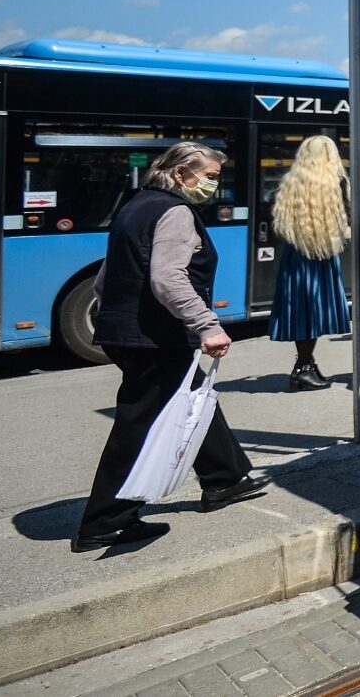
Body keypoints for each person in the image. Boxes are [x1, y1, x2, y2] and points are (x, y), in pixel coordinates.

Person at [75, 142, 266, 553]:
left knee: (192, 398)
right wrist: (207, 325)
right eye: (210, 175)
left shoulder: (136, 204)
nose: (214, 184)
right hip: (156, 336)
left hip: (128, 332)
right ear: (181, 173)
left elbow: (103, 280)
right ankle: (105, 521)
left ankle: (226, 479)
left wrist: (117, 317)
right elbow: (168, 278)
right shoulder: (176, 212)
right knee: (139, 422)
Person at [269, 135, 352, 390]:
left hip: (296, 256)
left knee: (302, 312)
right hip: (321, 255)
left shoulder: (291, 183)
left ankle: (306, 365)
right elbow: (345, 220)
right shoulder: (337, 182)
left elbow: (280, 226)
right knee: (314, 312)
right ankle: (303, 368)